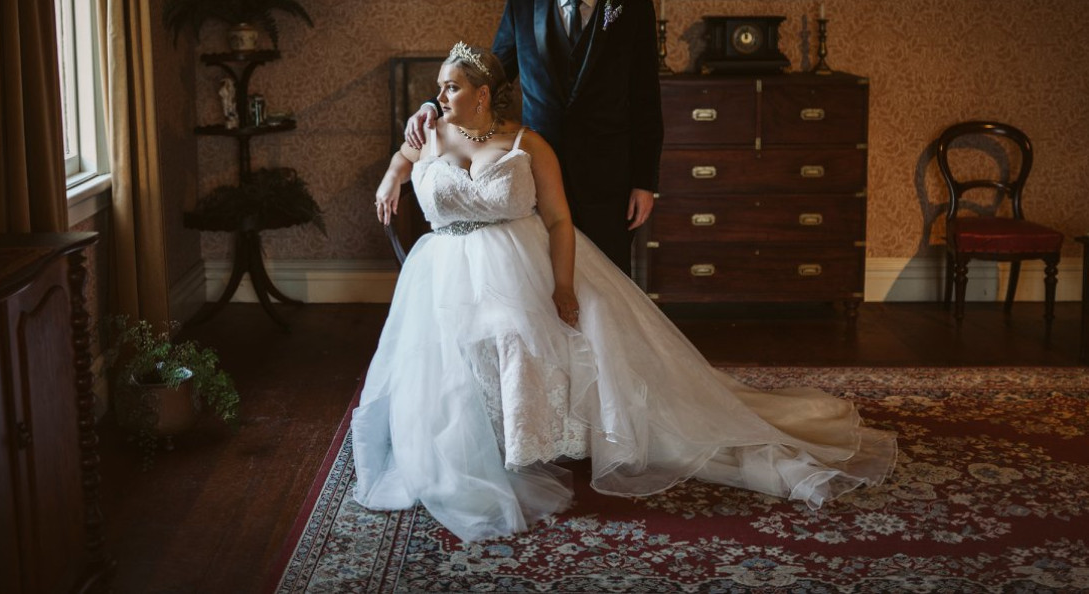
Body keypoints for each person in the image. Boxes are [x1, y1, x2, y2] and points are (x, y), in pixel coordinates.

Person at [355, 43, 897, 544]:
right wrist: (390, 178)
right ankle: (466, 446)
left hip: (521, 262)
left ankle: (532, 442)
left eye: (450, 87)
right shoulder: (427, 133)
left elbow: (561, 221)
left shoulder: (528, 143)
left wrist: (563, 286)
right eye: (438, 87)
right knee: (446, 354)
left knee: (523, 333)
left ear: (480, 93)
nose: (438, 95)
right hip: (444, 272)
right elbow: (405, 160)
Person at [405, 0, 661, 274]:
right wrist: (433, 104)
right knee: (542, 280)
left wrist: (644, 182)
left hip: (608, 181)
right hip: (537, 173)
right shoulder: (522, 7)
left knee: (609, 280)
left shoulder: (632, 9)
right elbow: (488, 76)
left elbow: (645, 101)